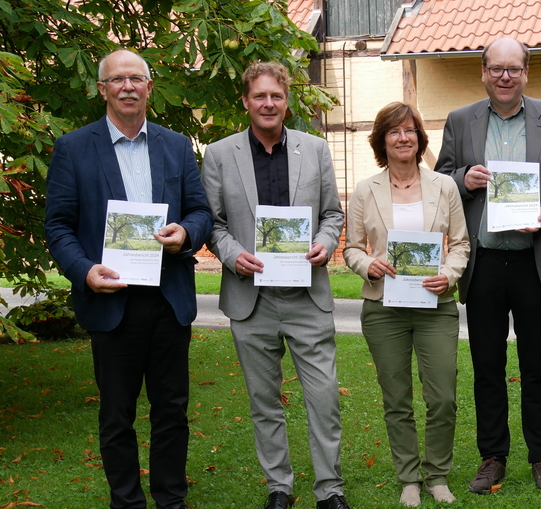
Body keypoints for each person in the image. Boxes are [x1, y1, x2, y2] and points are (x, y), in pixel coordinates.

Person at [44, 49, 213, 509]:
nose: (127, 87)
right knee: (117, 416)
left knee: (172, 412)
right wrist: (83, 271)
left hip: (168, 298)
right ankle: (127, 502)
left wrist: (186, 234)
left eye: (136, 79)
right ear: (102, 89)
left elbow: (200, 211)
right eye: (117, 80)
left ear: (149, 87)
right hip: (111, 300)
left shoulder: (176, 146)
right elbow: (58, 225)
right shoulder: (73, 148)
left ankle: (171, 500)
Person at [434, 37, 541, 494]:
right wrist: (464, 179)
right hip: (483, 265)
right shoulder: (461, 121)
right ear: (483, 72)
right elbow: (439, 179)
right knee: (487, 365)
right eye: (496, 68)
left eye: (513, 69)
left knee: (537, 366)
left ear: (526, 72)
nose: (504, 76)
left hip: (533, 262)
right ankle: (492, 457)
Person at [200, 61, 350, 509]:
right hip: (251, 299)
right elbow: (214, 222)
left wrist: (325, 244)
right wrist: (230, 254)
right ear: (246, 101)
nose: (268, 103)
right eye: (260, 96)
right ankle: (279, 489)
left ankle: (330, 490)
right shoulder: (220, 154)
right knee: (264, 401)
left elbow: (332, 214)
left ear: (287, 102)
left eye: (276, 96)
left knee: (323, 398)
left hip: (307, 294)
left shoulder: (316, 149)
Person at [343, 102, 470, 507]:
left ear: (420, 137)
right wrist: (369, 264)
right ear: (382, 140)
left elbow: (461, 244)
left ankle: (437, 474)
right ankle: (409, 478)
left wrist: (448, 275)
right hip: (384, 309)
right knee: (396, 398)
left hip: (436, 306)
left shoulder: (444, 186)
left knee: (443, 397)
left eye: (410, 130)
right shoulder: (366, 189)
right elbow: (351, 249)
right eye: (394, 132)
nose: (403, 137)